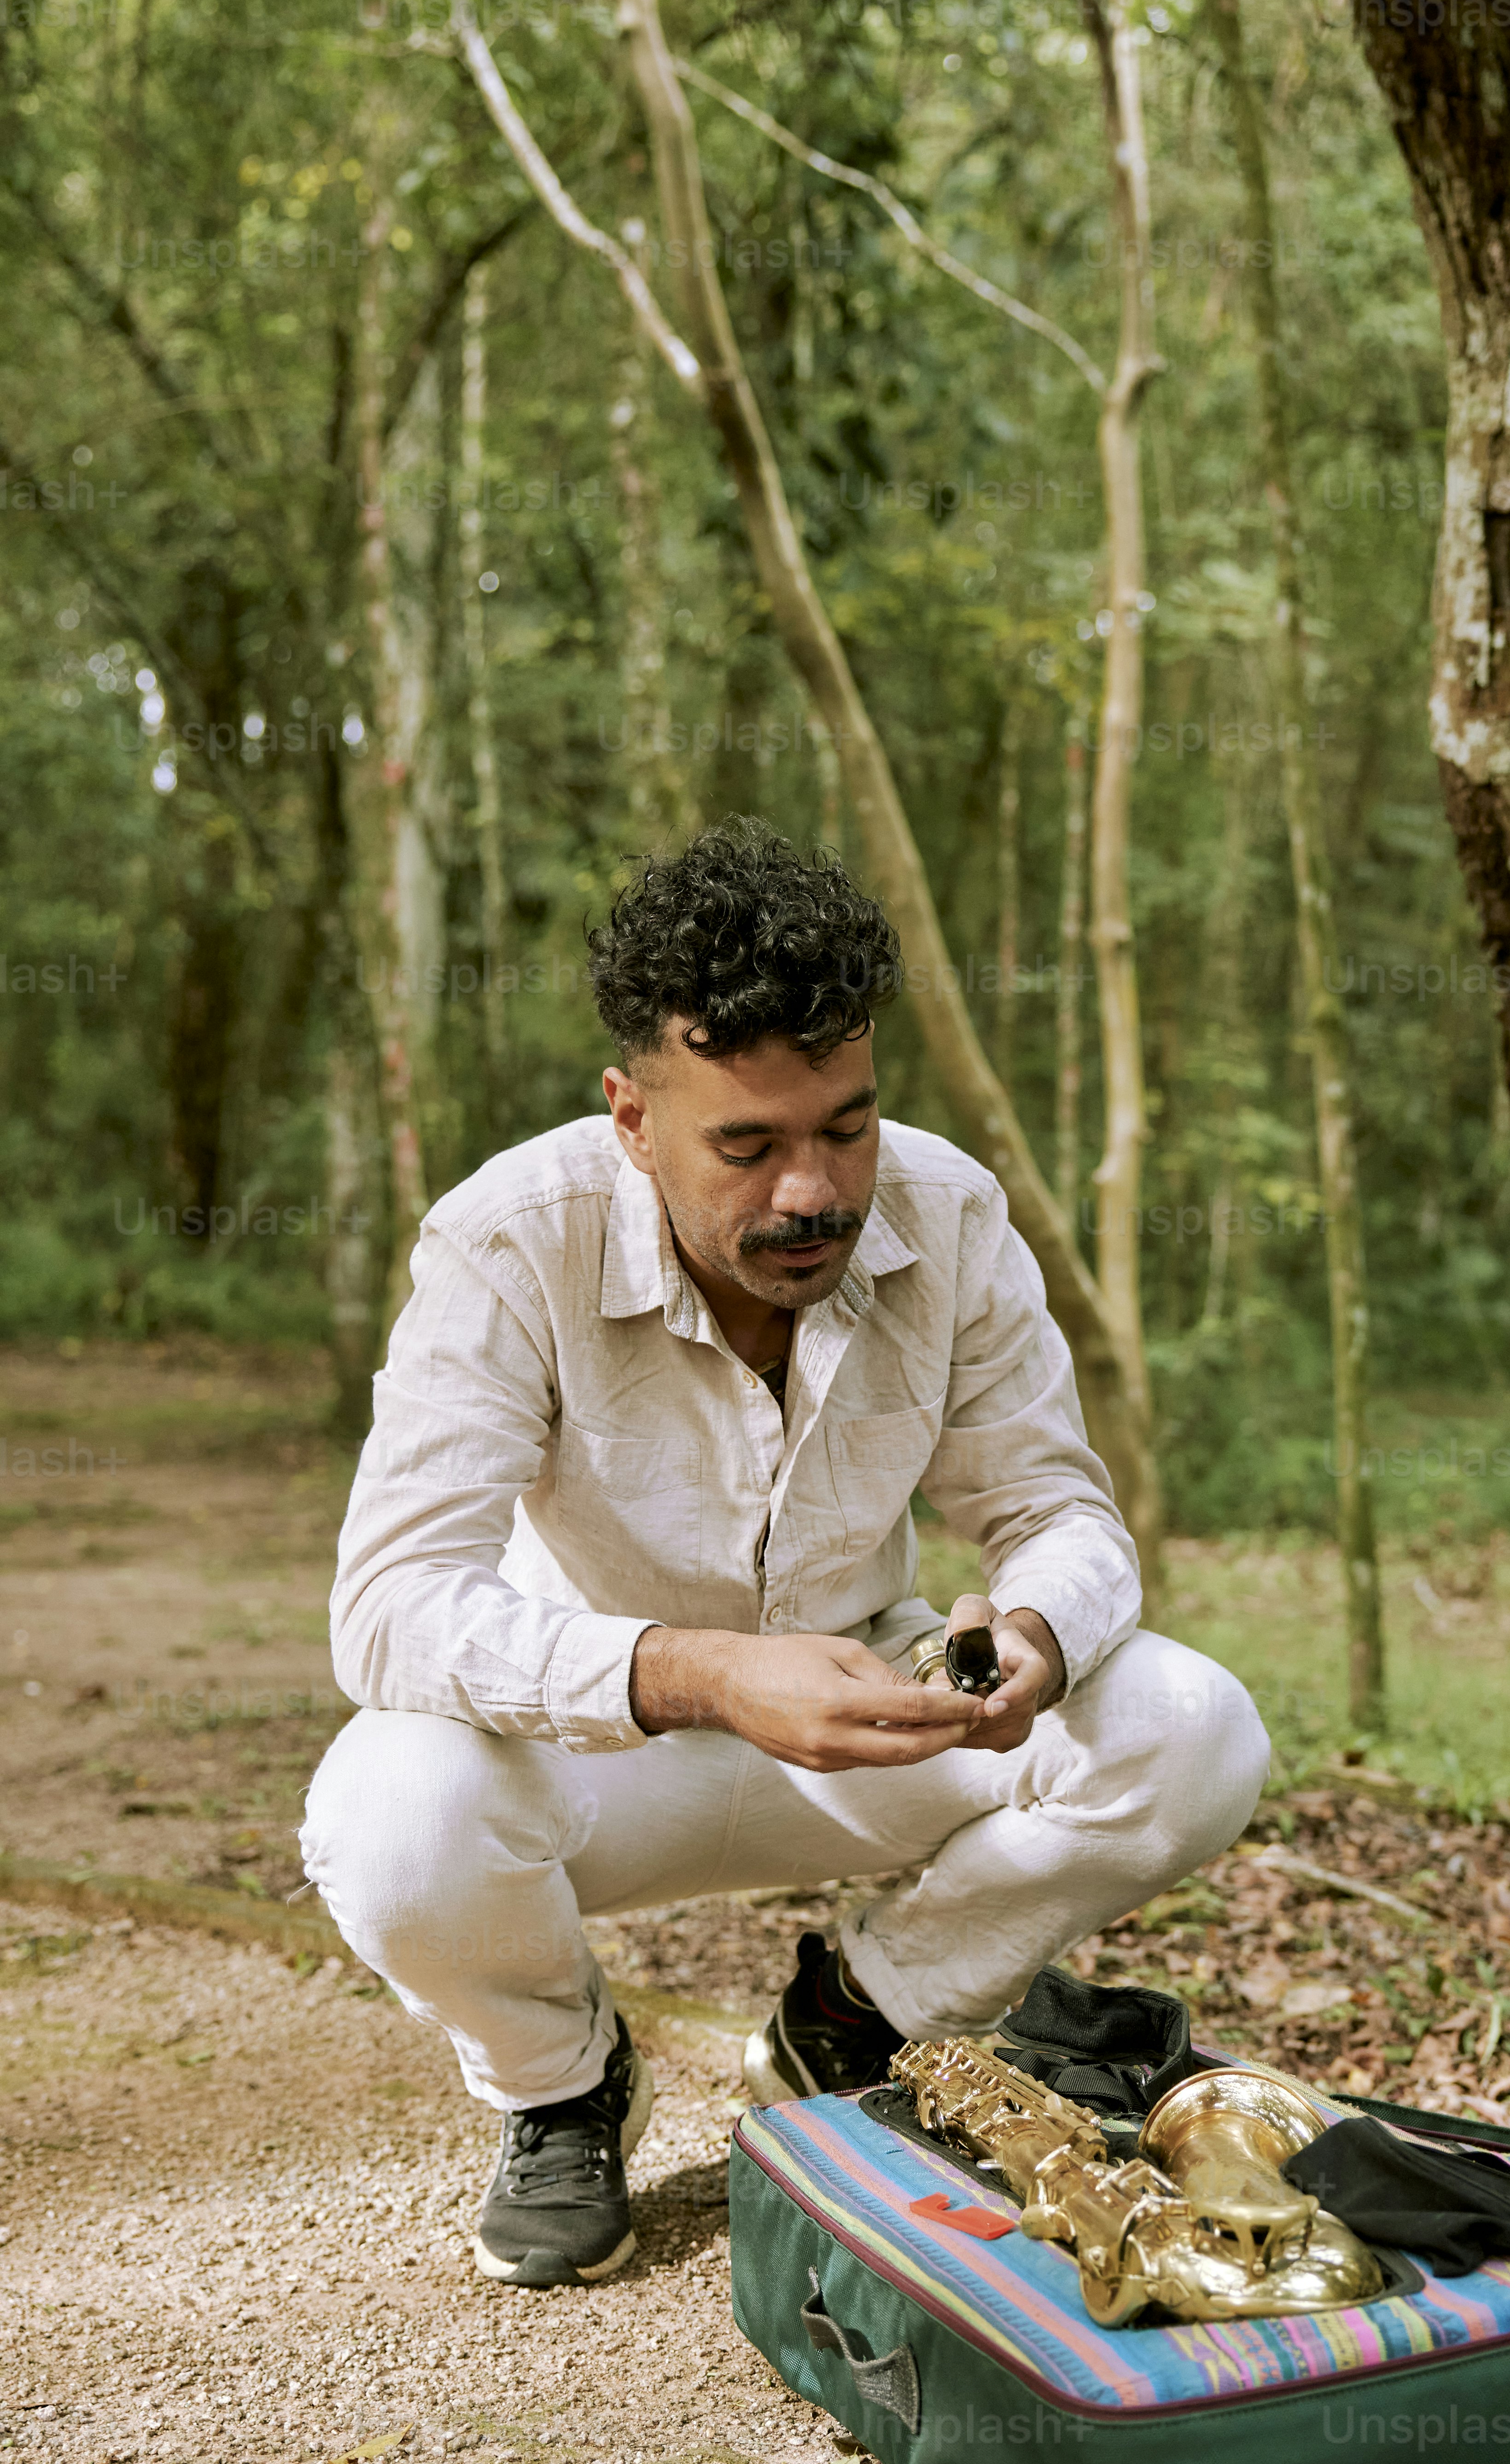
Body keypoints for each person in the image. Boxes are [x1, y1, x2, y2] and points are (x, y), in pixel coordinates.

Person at [300, 821, 1270, 2289]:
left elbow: (1060, 1514)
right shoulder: (509, 1239)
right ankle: (561, 2085)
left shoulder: (950, 1214)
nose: (814, 1191)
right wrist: (703, 1675)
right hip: (590, 1751)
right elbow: (389, 1609)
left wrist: (1035, 1637)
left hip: (875, 1717)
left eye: (846, 1127)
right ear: (633, 1118)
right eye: (747, 1147)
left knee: (1192, 1725)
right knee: (390, 1809)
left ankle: (862, 2022)